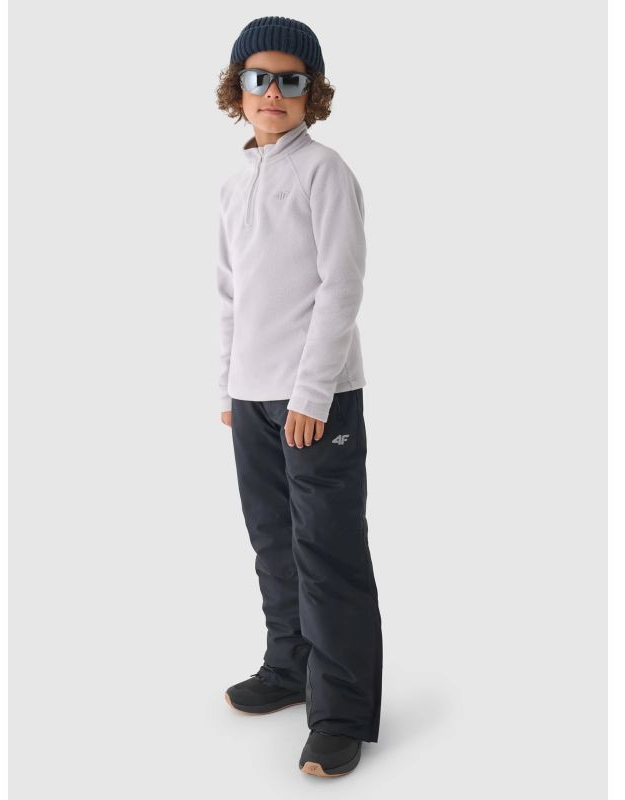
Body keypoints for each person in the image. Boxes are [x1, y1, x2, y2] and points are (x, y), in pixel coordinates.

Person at [214, 16, 383, 778]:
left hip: (316, 398)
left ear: (312, 93)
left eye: (291, 80)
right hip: (251, 398)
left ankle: (340, 713)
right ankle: (289, 666)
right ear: (238, 90)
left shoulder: (325, 173)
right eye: (260, 78)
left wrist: (312, 393)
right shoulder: (234, 183)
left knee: (327, 553)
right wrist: (229, 384)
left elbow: (340, 286)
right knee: (273, 544)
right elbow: (230, 294)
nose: (273, 92)